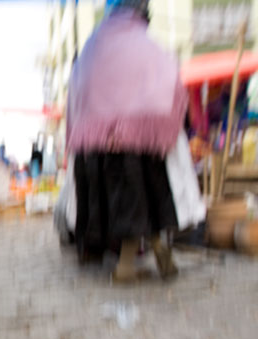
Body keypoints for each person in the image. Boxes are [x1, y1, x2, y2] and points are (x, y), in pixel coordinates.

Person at [66, 0, 187, 281]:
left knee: (132, 204)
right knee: (146, 200)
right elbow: (172, 87)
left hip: (95, 146)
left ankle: (140, 257)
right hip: (138, 143)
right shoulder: (146, 46)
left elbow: (75, 94)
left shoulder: (92, 46)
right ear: (141, 14)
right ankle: (132, 263)